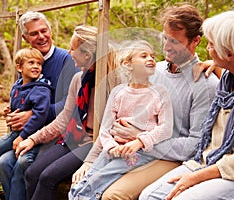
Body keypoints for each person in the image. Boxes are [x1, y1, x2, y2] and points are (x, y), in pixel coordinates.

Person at [71, 4, 220, 200]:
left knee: (112, 195)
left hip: (172, 158)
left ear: (195, 41)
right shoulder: (152, 71)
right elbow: (116, 119)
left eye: (174, 41)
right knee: (84, 186)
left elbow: (194, 144)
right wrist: (90, 161)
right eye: (165, 38)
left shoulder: (205, 85)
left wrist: (141, 140)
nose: (166, 46)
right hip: (132, 148)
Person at [140, 10, 234, 200]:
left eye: (211, 44)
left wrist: (194, 178)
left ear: (230, 53)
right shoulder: (227, 75)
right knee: (149, 196)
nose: (206, 48)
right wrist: (215, 64)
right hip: (210, 159)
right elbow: (230, 66)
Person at [69, 40, 174, 199]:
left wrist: (139, 141)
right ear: (128, 64)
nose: (151, 59)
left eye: (152, 56)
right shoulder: (119, 93)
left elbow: (165, 129)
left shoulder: (160, 93)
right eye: (144, 56)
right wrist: (111, 146)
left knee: (98, 182)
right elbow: (105, 128)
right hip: (112, 150)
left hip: (139, 152)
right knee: (84, 182)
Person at [0, 11, 79, 200]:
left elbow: (71, 104)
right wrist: (14, 111)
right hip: (29, 132)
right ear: (25, 38)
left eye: (44, 31)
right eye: (34, 33)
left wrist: (33, 114)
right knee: (3, 163)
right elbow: (25, 95)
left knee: (24, 163)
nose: (41, 37)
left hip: (57, 133)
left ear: (50, 31)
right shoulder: (27, 61)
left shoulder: (67, 60)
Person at [14, 25, 98, 200]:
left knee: (47, 178)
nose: (69, 52)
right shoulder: (79, 79)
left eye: (73, 49)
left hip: (94, 142)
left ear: (87, 55)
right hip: (74, 136)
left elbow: (107, 129)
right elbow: (64, 119)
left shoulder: (108, 82)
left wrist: (90, 162)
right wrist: (32, 138)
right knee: (32, 173)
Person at [0, 47, 52, 187]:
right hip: (17, 133)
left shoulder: (41, 89)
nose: (36, 66)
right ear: (19, 67)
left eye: (39, 63)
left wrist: (22, 136)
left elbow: (40, 115)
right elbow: (20, 104)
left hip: (27, 135)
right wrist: (10, 110)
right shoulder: (18, 85)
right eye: (31, 62)